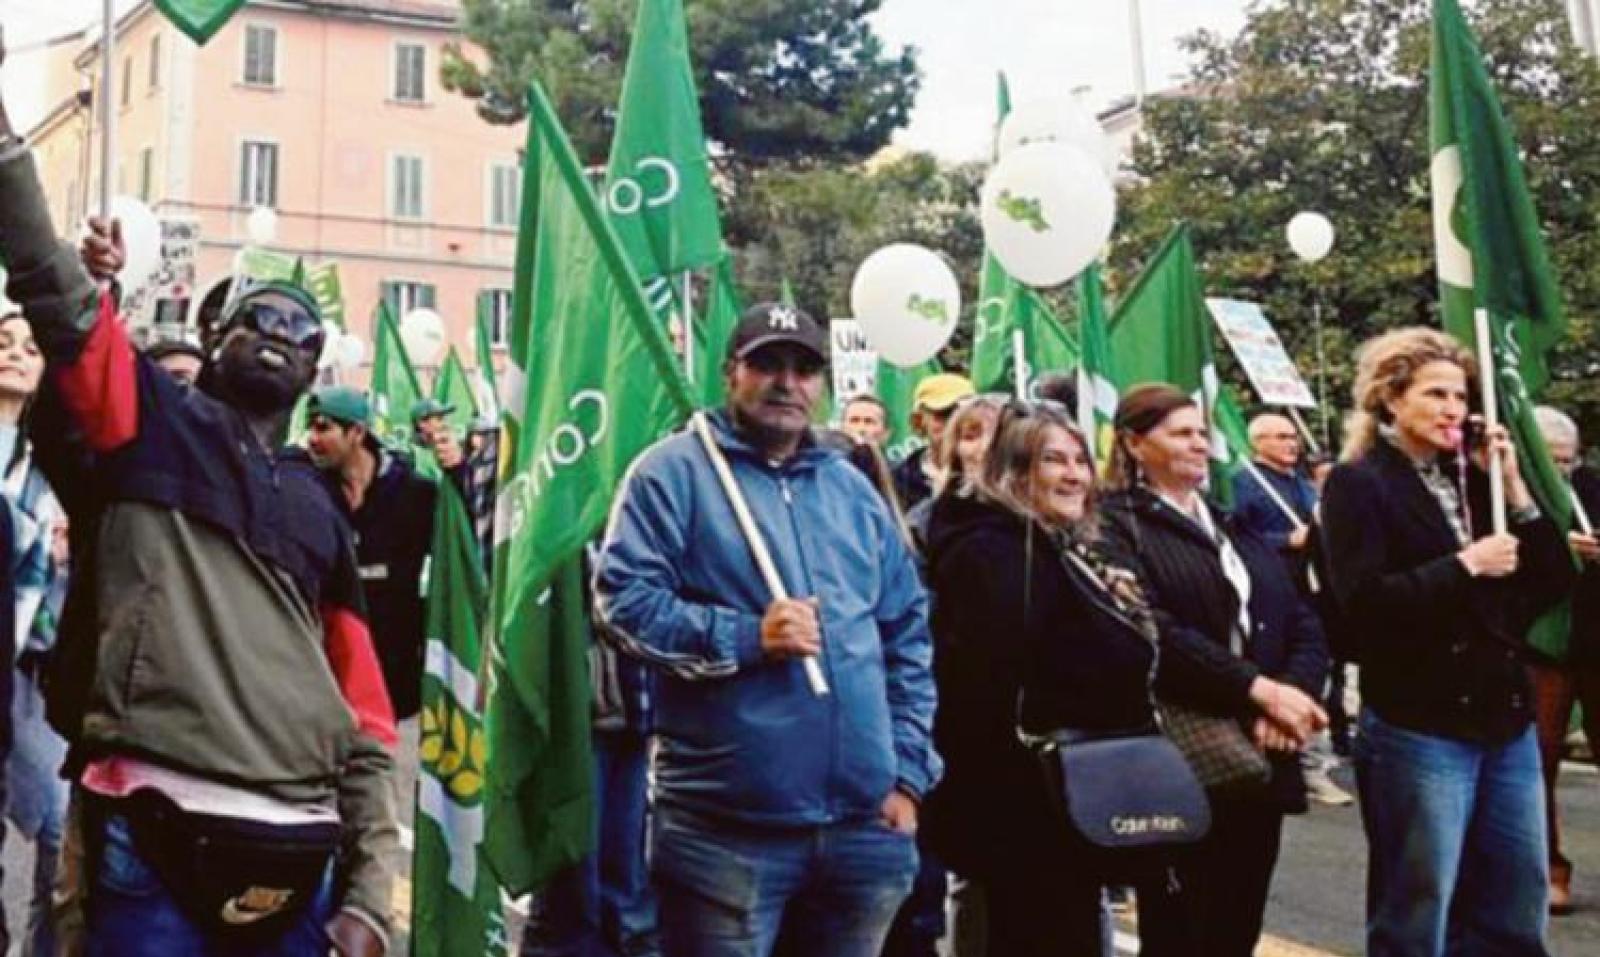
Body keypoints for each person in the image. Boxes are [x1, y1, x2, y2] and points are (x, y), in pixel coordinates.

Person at [0, 69, 399, 957]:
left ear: (313, 375)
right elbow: (54, 294)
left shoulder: (318, 504)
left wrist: (374, 897)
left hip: (303, 853)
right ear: (215, 339)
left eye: (304, 332)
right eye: (258, 314)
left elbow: (365, 715)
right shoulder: (151, 422)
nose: (281, 331)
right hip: (153, 832)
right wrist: (4, 149)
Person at [594, 303, 939, 957]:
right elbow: (624, 604)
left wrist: (908, 777)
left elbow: (906, 635)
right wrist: (747, 636)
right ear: (731, 373)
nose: (788, 382)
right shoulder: (672, 474)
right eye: (768, 364)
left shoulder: (851, 488)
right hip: (727, 833)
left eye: (805, 368)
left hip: (863, 830)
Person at [1321, 328, 1574, 957]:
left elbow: (1551, 581)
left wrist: (1514, 489)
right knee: (1420, 905)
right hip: (1420, 723)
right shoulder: (1358, 483)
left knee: (1516, 900)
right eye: (1435, 393)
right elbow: (1362, 607)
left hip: (1503, 720)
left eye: (1460, 396)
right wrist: (1464, 566)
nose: (1453, 409)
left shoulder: (1474, 479)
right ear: (1390, 400)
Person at [922, 400, 1174, 955]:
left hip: (1067, 800)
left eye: (1080, 460)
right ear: (1014, 471)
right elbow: (986, 684)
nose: (1073, 474)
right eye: (1052, 460)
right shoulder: (995, 552)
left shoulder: (1056, 545)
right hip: (1026, 809)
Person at [1100, 384, 1329, 957]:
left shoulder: (1232, 523)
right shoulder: (1116, 524)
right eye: (1181, 433)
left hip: (1261, 752)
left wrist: (1288, 696)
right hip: (1184, 754)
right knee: (1181, 924)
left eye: (1202, 432)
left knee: (1238, 916)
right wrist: (1257, 690)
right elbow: (1152, 629)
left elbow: (1299, 614)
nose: (1200, 444)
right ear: (1133, 442)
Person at [521, 542, 661, 957]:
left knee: (629, 894)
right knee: (571, 900)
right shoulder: (553, 487)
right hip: (568, 719)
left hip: (636, 710)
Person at [1232, 413, 1353, 807]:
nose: (1292, 444)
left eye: (1293, 437)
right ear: (1257, 442)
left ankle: (1315, 760)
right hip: (1275, 596)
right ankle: (1295, 765)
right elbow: (1236, 540)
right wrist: (1287, 539)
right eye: (1281, 437)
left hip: (1316, 591)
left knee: (1323, 675)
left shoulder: (1303, 485)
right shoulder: (1245, 483)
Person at [0, 308, 69, 957]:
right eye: (2, 341)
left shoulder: (52, 472)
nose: (15, 354)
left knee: (57, 826)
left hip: (27, 671)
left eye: (30, 347)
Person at [305, 386, 437, 721]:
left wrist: (458, 472)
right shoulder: (310, 492)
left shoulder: (415, 494)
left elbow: (460, 552)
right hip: (329, 681)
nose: (312, 438)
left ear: (357, 433)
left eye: (323, 427)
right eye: (311, 427)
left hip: (398, 684)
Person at [1526, 405, 1600, 914]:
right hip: (1541, 647)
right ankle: (1549, 870)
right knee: (1537, 759)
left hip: (1597, 641)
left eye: (1568, 461)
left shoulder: (1593, 487)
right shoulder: (1512, 492)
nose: (1563, 471)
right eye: (1551, 462)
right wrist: (1553, 550)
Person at [892, 374, 974, 509]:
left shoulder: (997, 476)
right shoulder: (899, 481)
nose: (955, 424)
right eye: (945, 414)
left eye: (965, 415)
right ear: (918, 422)